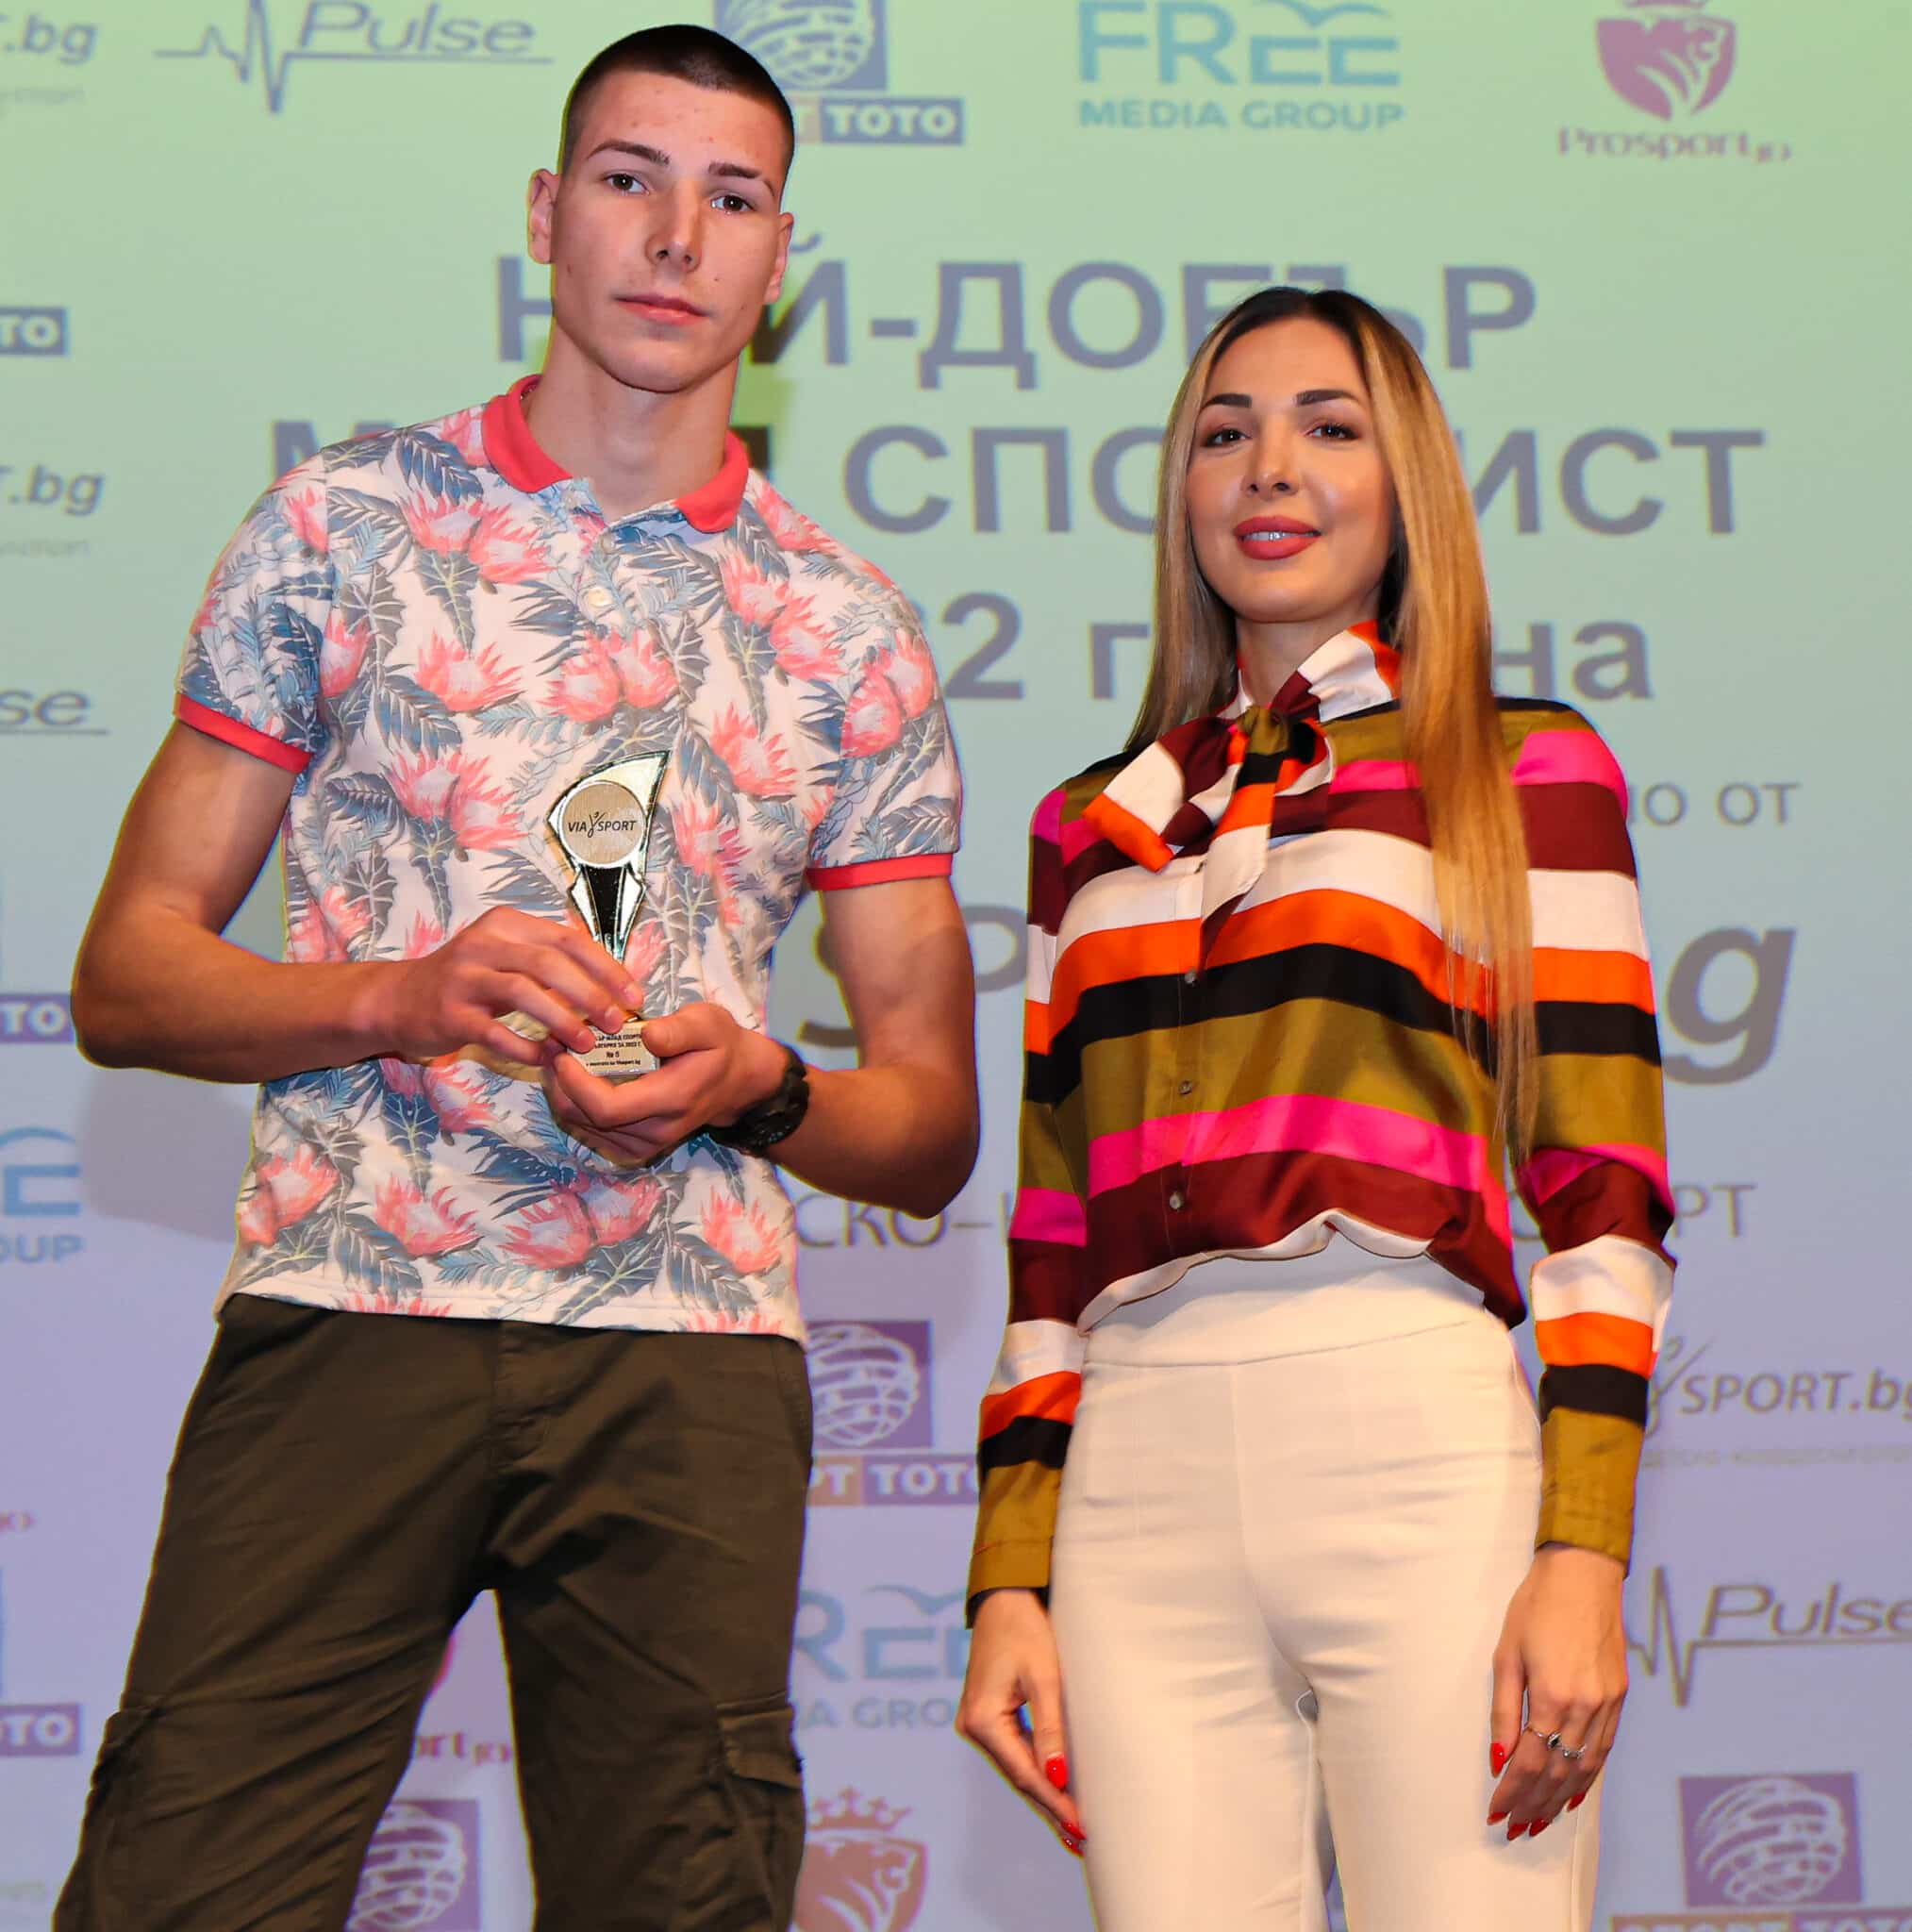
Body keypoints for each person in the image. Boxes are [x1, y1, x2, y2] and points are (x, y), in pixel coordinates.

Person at [58, 26, 975, 1932]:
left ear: (780, 257)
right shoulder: (341, 530)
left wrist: (758, 1086)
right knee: (179, 1893)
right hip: (350, 1300)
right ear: (551, 212)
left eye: (732, 198)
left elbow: (928, 1124)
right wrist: (395, 998)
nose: (676, 236)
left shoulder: (848, 628)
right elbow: (128, 977)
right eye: (632, 179)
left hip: (687, 1352)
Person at [956, 286, 1672, 1930]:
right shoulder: (1092, 825)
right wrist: (1011, 1576)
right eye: (1226, 433)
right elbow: (1050, 1238)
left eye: (1327, 428)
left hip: (1415, 1439)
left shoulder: (1521, 766)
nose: (1268, 467)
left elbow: (1602, 1190)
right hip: (1133, 1478)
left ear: (1405, 483)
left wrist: (1582, 1551)